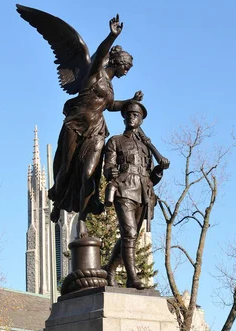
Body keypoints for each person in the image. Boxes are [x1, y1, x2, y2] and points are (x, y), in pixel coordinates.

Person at [49, 15, 143, 238]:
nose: (127, 71)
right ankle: (57, 201)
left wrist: (132, 101)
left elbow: (111, 106)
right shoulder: (94, 73)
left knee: (89, 174)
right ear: (117, 62)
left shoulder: (109, 88)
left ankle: (82, 219)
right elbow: (100, 52)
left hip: (97, 130)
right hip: (76, 125)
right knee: (65, 170)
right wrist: (112, 35)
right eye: (126, 66)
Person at [103, 100, 169, 289]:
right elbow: (107, 167)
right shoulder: (115, 141)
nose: (132, 117)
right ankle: (133, 278)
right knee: (130, 233)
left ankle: (110, 269)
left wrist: (159, 170)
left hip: (143, 194)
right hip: (123, 189)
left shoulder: (146, 147)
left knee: (128, 235)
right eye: (129, 114)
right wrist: (111, 172)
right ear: (124, 118)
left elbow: (150, 177)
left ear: (141, 120)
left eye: (136, 115)